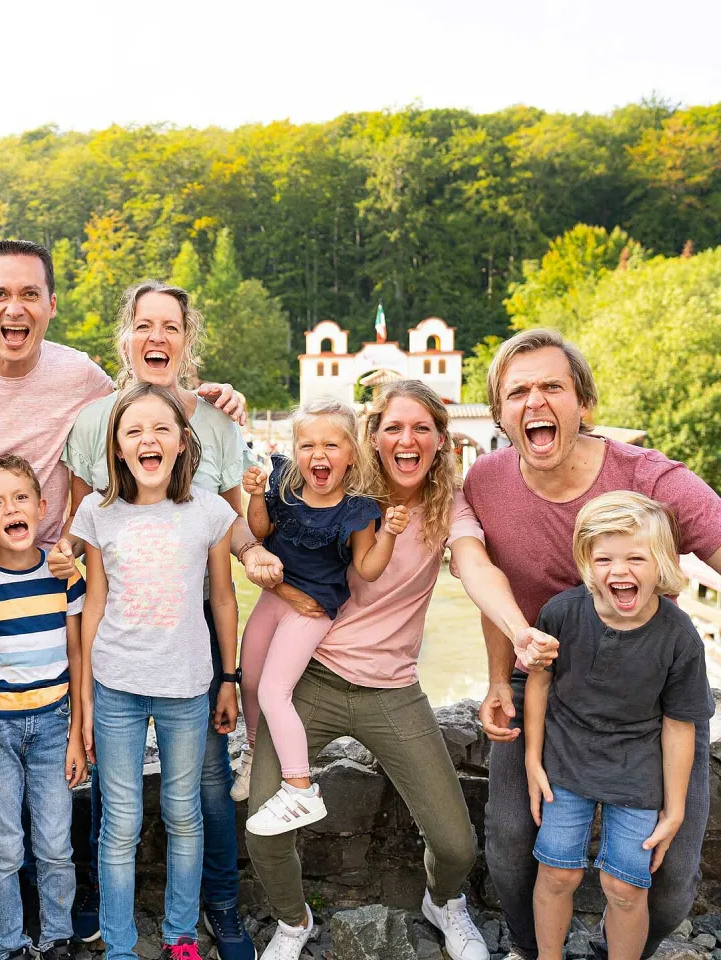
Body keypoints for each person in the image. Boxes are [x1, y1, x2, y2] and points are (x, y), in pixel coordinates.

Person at [0, 244, 259, 960]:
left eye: (30, 294)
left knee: (86, 746)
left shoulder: (88, 381)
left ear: (52, 305)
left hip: (75, 590)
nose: (15, 308)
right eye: (0, 294)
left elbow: (210, 500)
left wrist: (224, 402)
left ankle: (115, 907)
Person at [249, 380, 557, 960]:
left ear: (441, 440)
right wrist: (254, 554)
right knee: (263, 828)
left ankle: (443, 902)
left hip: (393, 690)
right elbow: (257, 521)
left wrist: (518, 630)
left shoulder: (451, 508)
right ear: (373, 437)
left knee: (457, 846)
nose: (407, 439)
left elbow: (476, 568)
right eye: (393, 427)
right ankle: (294, 922)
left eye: (421, 428)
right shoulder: (343, 490)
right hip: (312, 679)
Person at [466, 328, 721, 960]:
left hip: (649, 694)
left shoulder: (652, 480)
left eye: (553, 386)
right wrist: (500, 679)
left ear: (585, 402)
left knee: (672, 876)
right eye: (518, 391)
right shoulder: (486, 482)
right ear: (499, 413)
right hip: (541, 683)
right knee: (508, 849)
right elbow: (491, 585)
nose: (535, 402)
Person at [57, 279, 261, 959]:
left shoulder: (216, 422)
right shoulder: (94, 428)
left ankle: (209, 914)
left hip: (190, 647)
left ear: (186, 339)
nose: (155, 337)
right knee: (117, 816)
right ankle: (111, 930)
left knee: (197, 796)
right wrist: (81, 697)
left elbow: (237, 543)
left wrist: (229, 674)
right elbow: (88, 566)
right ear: (124, 338)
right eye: (143, 325)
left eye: (169, 326)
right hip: (118, 656)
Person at [524, 492, 712, 960]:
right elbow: (539, 683)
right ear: (587, 562)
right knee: (558, 873)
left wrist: (675, 808)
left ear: (662, 563)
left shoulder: (679, 636)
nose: (619, 571)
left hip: (638, 772)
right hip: (565, 764)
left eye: (635, 558)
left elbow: (679, 725)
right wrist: (532, 759)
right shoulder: (561, 613)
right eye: (604, 558)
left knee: (625, 886)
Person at [238, 398, 408, 837]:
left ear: (351, 452)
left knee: (276, 689)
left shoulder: (358, 509)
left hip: (313, 608)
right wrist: (256, 495)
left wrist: (388, 533)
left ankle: (300, 788)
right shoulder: (285, 486)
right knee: (250, 678)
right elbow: (259, 533)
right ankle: (254, 753)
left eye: (331, 445)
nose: (318, 455)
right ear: (295, 449)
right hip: (276, 595)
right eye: (308, 445)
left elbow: (367, 569)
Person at [0, 455, 87, 960]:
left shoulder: (63, 576)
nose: (10, 508)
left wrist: (79, 731)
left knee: (56, 843)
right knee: (5, 847)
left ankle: (57, 938)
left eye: (19, 498)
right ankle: (8, 944)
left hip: (55, 726)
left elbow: (78, 654)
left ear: (42, 506)